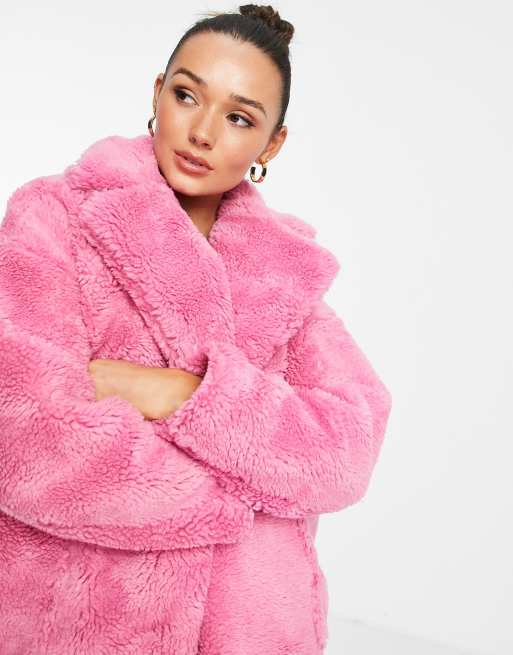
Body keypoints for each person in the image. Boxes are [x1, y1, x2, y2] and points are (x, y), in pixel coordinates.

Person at [0, 5, 393, 654]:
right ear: (158, 93)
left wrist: (183, 393)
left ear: (271, 144)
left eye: (239, 118)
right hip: (81, 624)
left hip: (251, 633)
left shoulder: (285, 270)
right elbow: (24, 438)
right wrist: (245, 493)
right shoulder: (55, 216)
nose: (203, 132)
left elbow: (345, 450)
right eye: (187, 96)